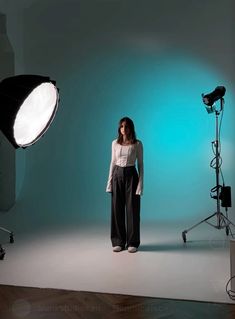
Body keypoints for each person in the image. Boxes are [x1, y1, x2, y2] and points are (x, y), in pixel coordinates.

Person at [106, 117, 143, 253]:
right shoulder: (114, 143)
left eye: (126, 126)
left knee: (132, 209)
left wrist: (140, 185)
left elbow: (141, 165)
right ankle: (118, 241)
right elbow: (112, 162)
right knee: (117, 209)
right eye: (121, 126)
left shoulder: (137, 144)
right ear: (119, 129)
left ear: (131, 128)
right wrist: (109, 182)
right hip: (117, 175)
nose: (124, 129)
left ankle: (132, 242)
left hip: (131, 175)